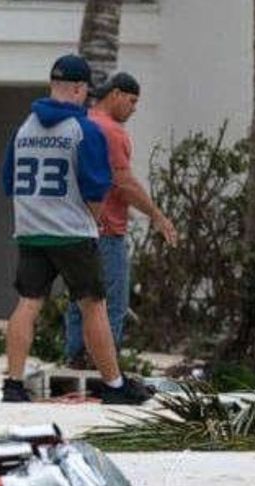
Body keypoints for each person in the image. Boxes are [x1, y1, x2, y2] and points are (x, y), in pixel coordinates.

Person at [0, 54, 150, 405]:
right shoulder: (84, 130)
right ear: (81, 89)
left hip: (30, 231)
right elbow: (97, 189)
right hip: (72, 232)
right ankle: (114, 385)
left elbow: (8, 182)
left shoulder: (23, 130)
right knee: (93, 306)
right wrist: (91, 219)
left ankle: (13, 384)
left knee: (27, 303)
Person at [62, 71, 180, 370]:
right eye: (132, 100)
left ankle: (76, 358)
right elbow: (123, 182)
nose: (134, 108)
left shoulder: (79, 124)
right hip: (106, 231)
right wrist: (157, 215)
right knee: (111, 301)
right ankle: (104, 365)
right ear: (115, 94)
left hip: (73, 228)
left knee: (79, 301)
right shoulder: (110, 131)